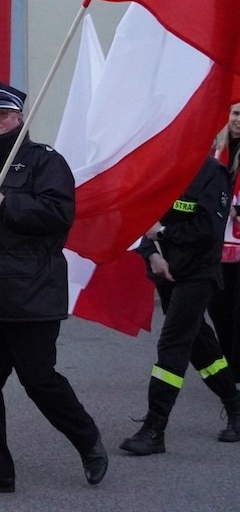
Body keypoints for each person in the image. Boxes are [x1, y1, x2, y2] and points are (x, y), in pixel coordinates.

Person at [0, 79, 107, 494]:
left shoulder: (44, 161)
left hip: (30, 294)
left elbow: (58, 215)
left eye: (1, 114)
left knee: (39, 380)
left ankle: (88, 441)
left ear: (19, 118)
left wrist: (7, 205)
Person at [120, 156, 240, 455]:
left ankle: (154, 428)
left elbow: (209, 229)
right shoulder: (162, 164)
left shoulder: (213, 174)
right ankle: (236, 408)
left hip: (198, 273)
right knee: (200, 344)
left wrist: (163, 233)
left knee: (173, 343)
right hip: (166, 270)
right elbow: (139, 217)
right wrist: (152, 254)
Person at [209, 103, 240, 373]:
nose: (239, 120)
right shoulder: (215, 151)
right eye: (236, 113)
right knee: (219, 307)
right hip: (216, 244)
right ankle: (229, 364)